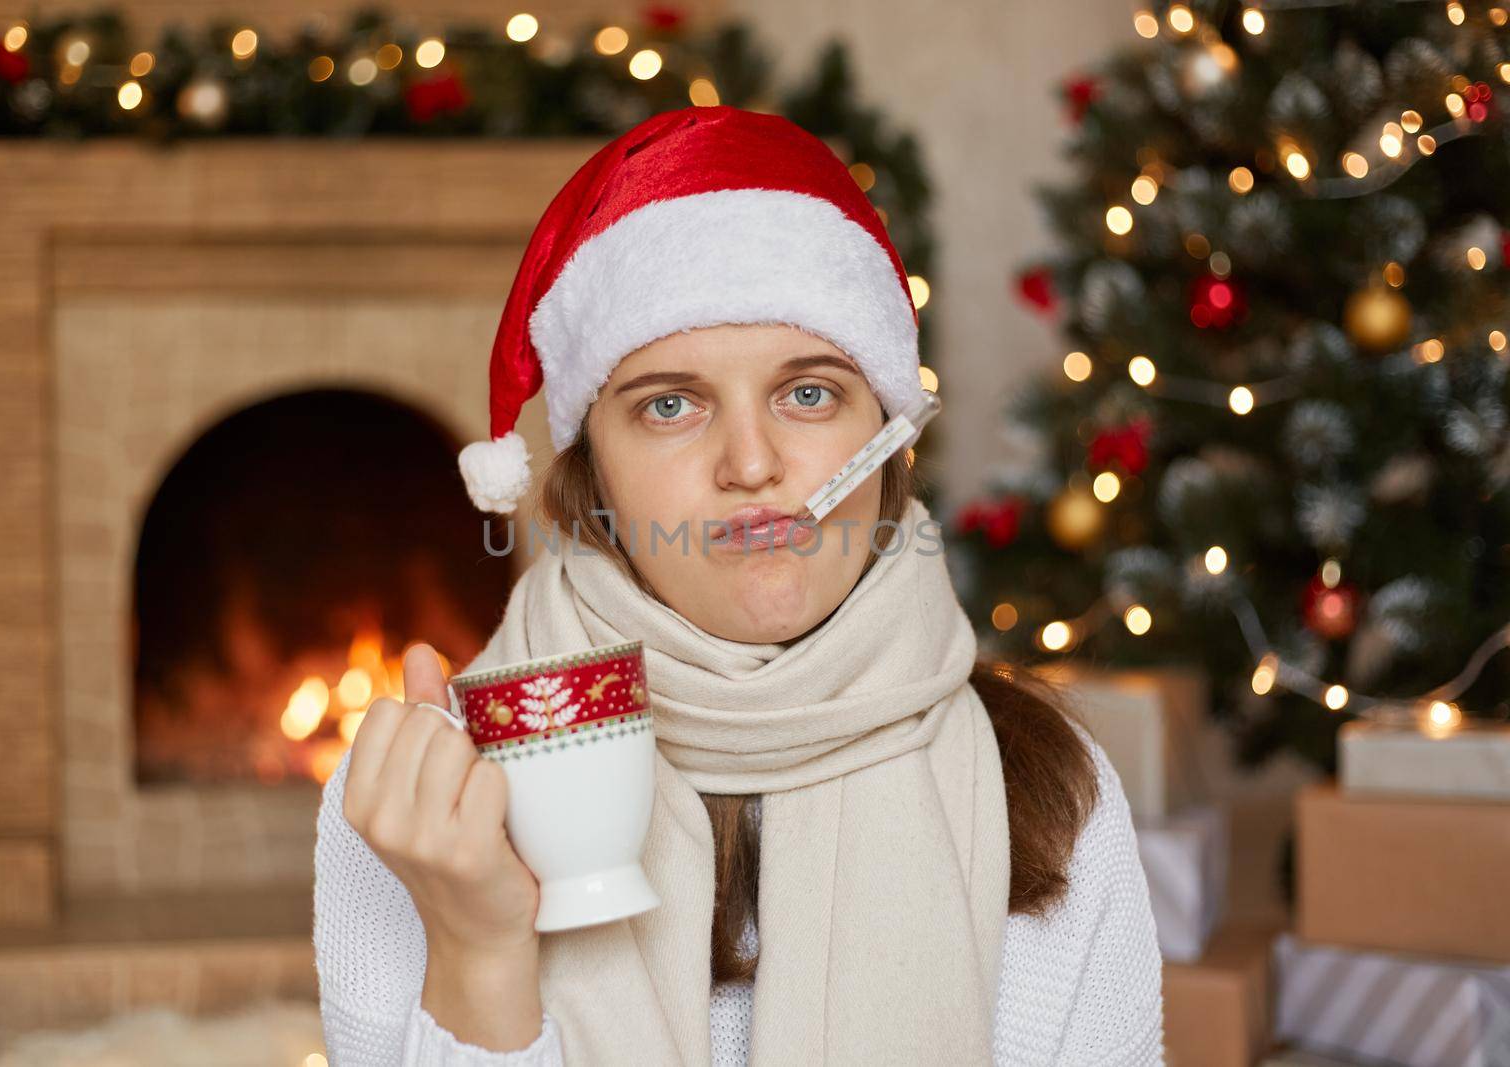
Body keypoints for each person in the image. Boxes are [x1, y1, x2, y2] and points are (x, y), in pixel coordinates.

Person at [313, 104, 1164, 1066]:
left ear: (886, 444)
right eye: (670, 405)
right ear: (593, 474)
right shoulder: (421, 804)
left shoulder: (1050, 789)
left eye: (809, 392)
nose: (751, 463)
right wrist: (476, 949)